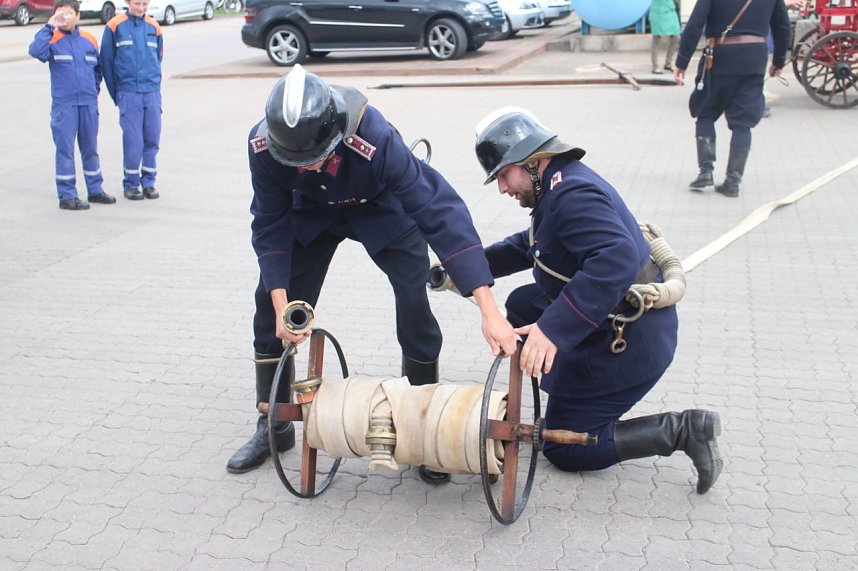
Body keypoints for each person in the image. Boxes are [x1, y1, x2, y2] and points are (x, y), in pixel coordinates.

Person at [227, 65, 517, 482]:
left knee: (414, 302)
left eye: (315, 158)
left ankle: (423, 427)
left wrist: (488, 309)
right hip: (309, 211)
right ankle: (273, 424)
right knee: (267, 305)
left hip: (379, 206)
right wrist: (280, 304)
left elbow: (439, 213)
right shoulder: (262, 146)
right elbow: (270, 222)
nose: (306, 166)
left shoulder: (373, 138)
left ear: (336, 135)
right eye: (297, 161)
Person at [474, 107, 723, 494]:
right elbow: (532, 246)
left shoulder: (571, 193)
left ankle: (683, 430)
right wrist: (468, 270)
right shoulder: (556, 188)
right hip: (605, 320)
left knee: (563, 448)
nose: (503, 188)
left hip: (630, 341)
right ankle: (568, 388)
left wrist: (552, 331)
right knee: (525, 303)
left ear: (533, 161)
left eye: (504, 175)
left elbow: (616, 258)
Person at [674, 0, 791, 197]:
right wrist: (779, 61)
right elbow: (782, 27)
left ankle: (706, 171)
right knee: (743, 123)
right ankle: (733, 182)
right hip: (754, 60)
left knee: (705, 112)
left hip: (719, 58)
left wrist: (682, 62)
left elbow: (695, 24)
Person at [29, 0, 116, 211]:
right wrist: (50, 25)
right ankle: (67, 195)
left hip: (87, 103)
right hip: (64, 104)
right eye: (61, 13)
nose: (65, 18)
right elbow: (35, 51)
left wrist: (93, 90)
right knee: (65, 150)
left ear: (78, 16)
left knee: (90, 149)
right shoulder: (52, 38)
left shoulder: (89, 39)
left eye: (69, 13)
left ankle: (95, 190)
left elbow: (98, 69)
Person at [100, 0, 163, 201]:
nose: (141, 8)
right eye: (137, 3)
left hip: (151, 91)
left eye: (145, 4)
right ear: (127, 2)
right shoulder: (114, 26)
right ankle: (131, 183)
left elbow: (158, 57)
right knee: (133, 140)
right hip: (129, 92)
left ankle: (149, 182)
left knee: (152, 138)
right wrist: (117, 94)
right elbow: (107, 62)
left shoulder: (154, 27)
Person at [649, 0, 681, 74]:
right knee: (656, 38)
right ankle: (655, 66)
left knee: (676, 37)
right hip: (658, 12)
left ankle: (668, 63)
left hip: (671, 12)